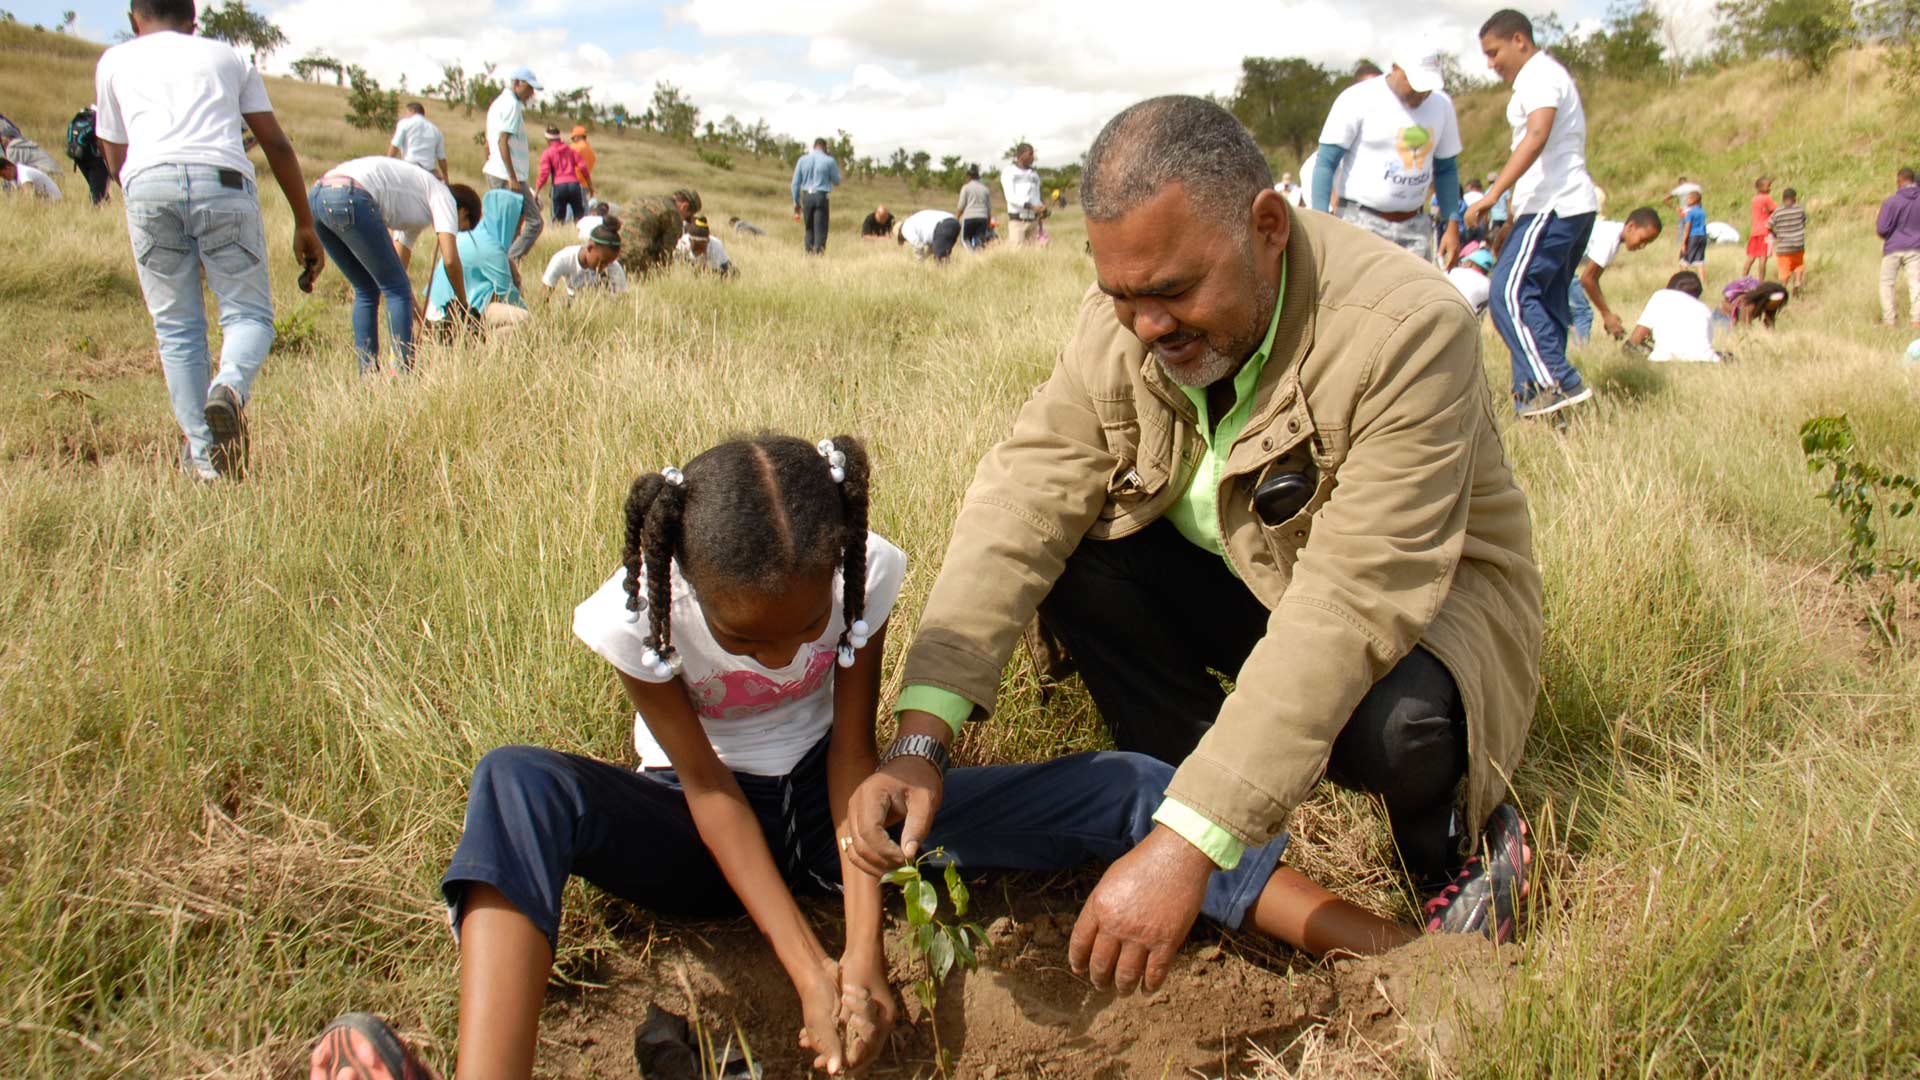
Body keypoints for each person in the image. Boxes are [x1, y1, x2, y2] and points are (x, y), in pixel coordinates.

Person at [306, 433, 1417, 1080]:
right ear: (688, 588)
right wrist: (806, 968)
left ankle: (1398, 957)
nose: (789, 649)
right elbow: (705, 793)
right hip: (701, 831)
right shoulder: (636, 614)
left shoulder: (857, 573)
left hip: (844, 813)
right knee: (518, 779)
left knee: (1127, 787)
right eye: (750, 641)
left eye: (807, 628)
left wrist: (866, 950)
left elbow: (856, 760)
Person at [846, 96, 1544, 1000]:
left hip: (1419, 611)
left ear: (1266, 229)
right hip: (1249, 582)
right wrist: (922, 737)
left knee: (1401, 730)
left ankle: (1445, 844)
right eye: (1121, 297)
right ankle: (1197, 808)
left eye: (1174, 293)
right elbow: (1022, 500)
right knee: (1081, 559)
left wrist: (1188, 842)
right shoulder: (1130, 314)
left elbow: (1351, 601)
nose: (1147, 327)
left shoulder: (1407, 330)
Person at [94, 0, 324, 482]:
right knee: (249, 315)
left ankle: (205, 461)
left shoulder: (114, 61)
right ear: (193, 18)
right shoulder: (228, 56)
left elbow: (113, 154)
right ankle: (230, 389)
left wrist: (148, 197)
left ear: (135, 17)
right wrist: (304, 221)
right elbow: (277, 144)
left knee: (177, 329)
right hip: (223, 182)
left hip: (147, 183)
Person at [1464, 10, 1601, 418]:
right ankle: (1533, 403)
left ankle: (1557, 381)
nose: (1491, 64)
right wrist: (1510, 219)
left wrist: (1492, 195)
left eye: (1494, 53)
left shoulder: (1538, 75)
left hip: (1554, 204)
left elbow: (1539, 134)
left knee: (1508, 294)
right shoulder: (1543, 76)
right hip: (1563, 206)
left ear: (1519, 40)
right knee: (1544, 300)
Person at [308, 156, 471, 374]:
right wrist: (463, 306)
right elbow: (450, 261)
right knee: (396, 288)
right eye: (462, 227)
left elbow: (395, 270)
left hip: (318, 197)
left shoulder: (415, 208)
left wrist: (421, 319)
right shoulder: (444, 196)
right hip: (350, 195)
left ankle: (368, 376)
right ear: (463, 212)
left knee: (367, 289)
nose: (456, 231)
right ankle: (403, 374)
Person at [1311, 52, 1464, 266]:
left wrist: (1452, 224)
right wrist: (1320, 224)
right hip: (1361, 223)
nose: (1422, 94)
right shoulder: (1357, 99)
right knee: (1360, 296)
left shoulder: (1442, 105)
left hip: (1415, 227)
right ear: (1395, 68)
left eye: (1428, 87)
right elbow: (1326, 163)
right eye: (1415, 84)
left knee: (1416, 296)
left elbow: (1446, 168)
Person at [427, 187, 529, 337]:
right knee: (525, 321)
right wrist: (518, 282)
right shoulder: (491, 249)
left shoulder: (476, 237)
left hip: (437, 314)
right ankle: (478, 343)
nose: (519, 233)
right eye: (517, 227)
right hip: (453, 316)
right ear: (505, 222)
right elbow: (511, 298)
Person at [1570, 206, 1663, 342]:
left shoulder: (1612, 235)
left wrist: (1608, 313)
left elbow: (1593, 279)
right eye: (1643, 239)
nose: (1642, 246)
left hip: (1557, 265)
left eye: (1647, 243)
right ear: (1631, 226)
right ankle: (1579, 353)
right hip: (1554, 262)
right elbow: (1587, 279)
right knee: (1581, 313)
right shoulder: (1610, 238)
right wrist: (1606, 314)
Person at [483, 67, 543, 266]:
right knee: (534, 222)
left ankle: (500, 261)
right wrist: (512, 178)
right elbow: (502, 140)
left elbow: (488, 141)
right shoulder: (512, 105)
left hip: (498, 170)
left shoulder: (498, 103)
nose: (531, 94)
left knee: (503, 226)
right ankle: (507, 262)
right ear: (517, 83)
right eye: (529, 88)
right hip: (507, 175)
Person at [1626, 271, 1719, 362]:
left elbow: (1635, 339)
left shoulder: (1661, 296)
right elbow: (1705, 343)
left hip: (1663, 359)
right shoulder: (1705, 309)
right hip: (1705, 360)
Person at [541, 217, 627, 302]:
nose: (605, 267)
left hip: (602, 304)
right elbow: (545, 294)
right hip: (574, 302)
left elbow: (622, 300)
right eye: (603, 262)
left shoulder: (615, 267)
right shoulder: (563, 258)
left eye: (609, 263)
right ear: (590, 248)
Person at [1877, 167, 1920, 328]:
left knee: (1887, 283)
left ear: (1900, 181)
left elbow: (1882, 228)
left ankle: (1890, 321)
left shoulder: (1892, 201)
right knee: (1916, 283)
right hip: (1916, 248)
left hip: (1894, 247)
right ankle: (1917, 320)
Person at [615, 194, 687, 279]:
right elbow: (666, 252)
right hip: (635, 252)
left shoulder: (645, 200)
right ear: (684, 206)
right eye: (687, 217)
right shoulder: (673, 212)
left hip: (613, 249)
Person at [791, 137, 842, 254]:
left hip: (807, 197)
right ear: (825, 147)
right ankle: (818, 257)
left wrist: (796, 203)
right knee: (820, 230)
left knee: (809, 230)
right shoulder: (829, 160)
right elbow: (837, 181)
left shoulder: (802, 160)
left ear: (814, 147)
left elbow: (795, 184)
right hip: (821, 196)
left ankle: (808, 256)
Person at [535, 126, 590, 225]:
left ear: (548, 139)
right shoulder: (571, 150)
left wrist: (537, 191)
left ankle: (558, 236)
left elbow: (544, 173)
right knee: (579, 218)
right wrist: (589, 185)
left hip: (559, 186)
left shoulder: (547, 153)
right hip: (574, 185)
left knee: (558, 219)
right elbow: (583, 167)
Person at [66, 104, 113, 205]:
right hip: (95, 160)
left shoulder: (83, 115)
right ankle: (96, 215)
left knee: (97, 189)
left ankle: (104, 206)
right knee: (98, 196)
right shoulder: (101, 119)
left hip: (79, 157)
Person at [387, 102, 447, 180]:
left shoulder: (404, 123)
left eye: (406, 112)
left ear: (413, 111)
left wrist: (387, 163)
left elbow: (395, 145)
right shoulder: (436, 130)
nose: (405, 115)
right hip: (429, 172)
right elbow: (441, 158)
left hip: (409, 167)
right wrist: (445, 175)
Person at [1002, 142, 1046, 245]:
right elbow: (1010, 197)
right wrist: (1030, 206)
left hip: (1033, 221)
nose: (1033, 157)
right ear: (1021, 155)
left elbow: (1037, 196)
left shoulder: (1034, 174)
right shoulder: (1009, 172)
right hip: (1018, 221)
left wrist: (1041, 208)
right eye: (1030, 154)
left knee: (1035, 257)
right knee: (1017, 255)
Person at [1770, 187, 1807, 295]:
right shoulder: (1800, 209)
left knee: (1784, 270)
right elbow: (1804, 222)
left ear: (1783, 199)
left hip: (1784, 246)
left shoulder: (1778, 211)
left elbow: (1769, 225)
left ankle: (1783, 290)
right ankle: (1798, 283)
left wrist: (1775, 234)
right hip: (1798, 244)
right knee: (1798, 265)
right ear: (1795, 198)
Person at [1447, 242, 1496, 317]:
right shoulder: (1490, 286)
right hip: (1466, 318)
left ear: (1470, 263)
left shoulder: (1456, 271)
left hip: (1444, 307)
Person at [1722, 277, 1789, 329]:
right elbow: (1745, 329)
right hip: (1723, 317)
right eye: (1774, 303)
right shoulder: (1749, 306)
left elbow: (1770, 327)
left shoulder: (1769, 307)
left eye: (1778, 304)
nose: (1775, 306)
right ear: (1765, 299)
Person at [1742, 176, 1776, 280]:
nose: (1770, 188)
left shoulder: (1755, 199)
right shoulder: (1767, 198)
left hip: (1755, 231)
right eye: (1768, 186)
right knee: (1763, 257)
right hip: (1765, 231)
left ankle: (1743, 278)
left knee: (1751, 256)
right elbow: (1776, 210)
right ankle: (1761, 281)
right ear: (1761, 187)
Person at [896, 208, 960, 262]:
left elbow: (917, 245)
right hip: (954, 223)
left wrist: (919, 261)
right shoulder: (913, 221)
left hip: (943, 225)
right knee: (942, 253)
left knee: (940, 258)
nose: (905, 241)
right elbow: (932, 247)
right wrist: (925, 257)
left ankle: (945, 274)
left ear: (900, 234)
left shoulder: (905, 228)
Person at [957, 165, 994, 249]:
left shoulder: (966, 188)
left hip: (969, 217)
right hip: (982, 217)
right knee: (980, 240)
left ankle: (971, 257)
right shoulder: (985, 189)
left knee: (965, 240)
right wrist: (988, 223)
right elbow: (989, 209)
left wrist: (957, 218)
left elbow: (961, 205)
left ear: (968, 176)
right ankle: (979, 256)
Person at [1680, 190, 1708, 271]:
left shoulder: (1690, 213)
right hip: (1702, 236)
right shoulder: (1702, 212)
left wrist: (1684, 243)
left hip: (1693, 236)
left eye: (1688, 198)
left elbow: (1687, 228)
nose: (1686, 200)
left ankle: (1684, 278)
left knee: (1684, 261)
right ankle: (1704, 282)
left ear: (1693, 200)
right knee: (1700, 262)